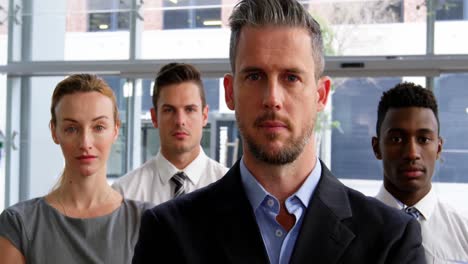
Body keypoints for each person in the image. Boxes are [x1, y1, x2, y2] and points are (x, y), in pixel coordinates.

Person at [132, 1, 425, 263]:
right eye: (255, 76)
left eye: (291, 77)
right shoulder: (168, 232)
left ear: (321, 95)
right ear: (230, 92)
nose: (272, 98)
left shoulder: (390, 239)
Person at [0, 74, 152, 263]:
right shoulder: (19, 224)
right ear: (54, 132)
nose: (85, 143)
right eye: (72, 129)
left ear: (115, 129)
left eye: (98, 127)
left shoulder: (147, 221)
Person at [372, 82, 468, 262]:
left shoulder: (464, 234)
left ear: (438, 148)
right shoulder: (349, 233)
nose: (412, 154)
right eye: (397, 139)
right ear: (376, 147)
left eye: (423, 139)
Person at [112, 63, 228, 204]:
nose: (180, 121)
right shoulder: (124, 193)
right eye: (169, 110)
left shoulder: (233, 189)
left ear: (204, 116)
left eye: (190, 109)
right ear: (154, 118)